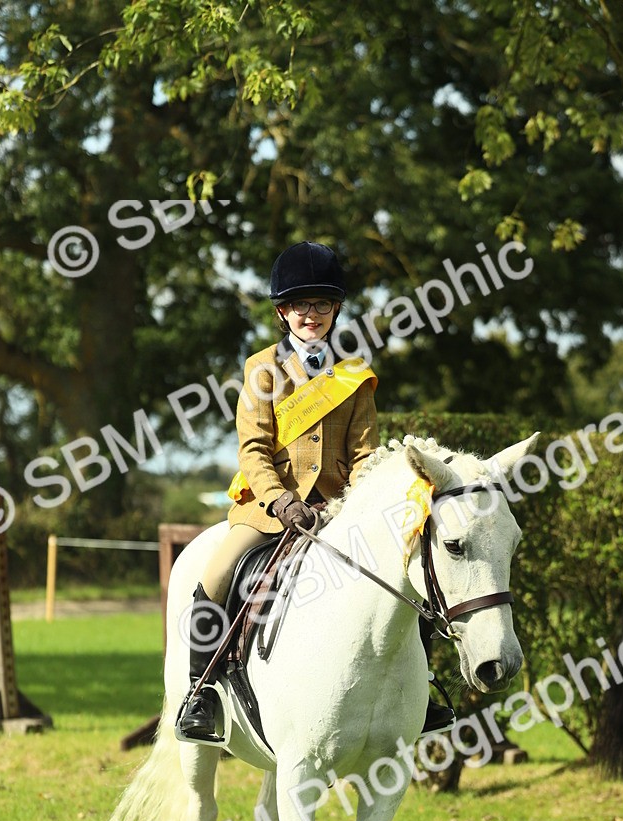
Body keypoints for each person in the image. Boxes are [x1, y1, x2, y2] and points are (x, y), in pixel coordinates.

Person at [177, 240, 454, 743]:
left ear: (336, 309)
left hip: (337, 509)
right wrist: (282, 502)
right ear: (283, 311)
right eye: (300, 305)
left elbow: (366, 452)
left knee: (407, 573)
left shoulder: (354, 374)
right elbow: (254, 449)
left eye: (321, 304)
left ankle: (422, 688)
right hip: (268, 507)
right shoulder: (263, 368)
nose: (311, 314)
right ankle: (200, 693)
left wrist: (360, 504)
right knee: (217, 575)